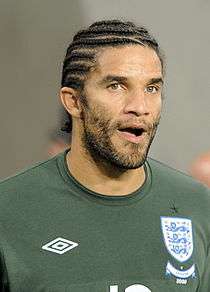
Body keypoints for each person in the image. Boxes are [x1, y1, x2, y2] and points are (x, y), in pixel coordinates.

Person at [0, 19, 210, 292]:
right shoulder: (9, 211)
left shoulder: (198, 206)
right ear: (74, 101)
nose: (140, 107)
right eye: (116, 86)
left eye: (152, 88)